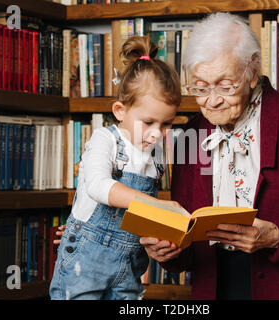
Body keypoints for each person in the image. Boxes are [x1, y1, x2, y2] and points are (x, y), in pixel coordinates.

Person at [140, 12, 279, 300]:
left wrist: (277, 237)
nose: (212, 100)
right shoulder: (191, 135)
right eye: (200, 87)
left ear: (252, 71)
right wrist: (169, 252)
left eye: (225, 85)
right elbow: (188, 249)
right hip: (215, 287)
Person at [49, 36, 184, 300]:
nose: (157, 134)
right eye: (148, 122)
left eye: (166, 124)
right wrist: (157, 205)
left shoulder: (155, 155)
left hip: (129, 266)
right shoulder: (105, 139)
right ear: (120, 110)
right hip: (85, 265)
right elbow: (99, 186)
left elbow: (139, 218)